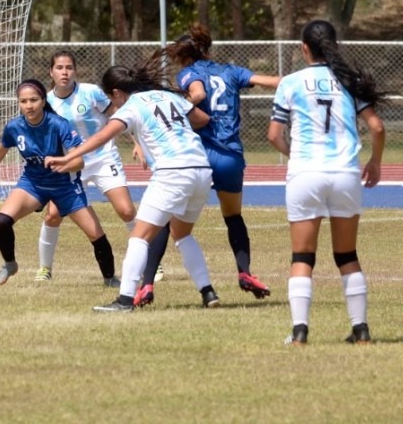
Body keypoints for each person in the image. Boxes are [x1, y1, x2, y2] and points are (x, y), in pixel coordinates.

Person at [46, 50, 221, 311]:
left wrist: (69, 157)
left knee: (138, 237)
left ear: (117, 93)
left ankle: (125, 299)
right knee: (182, 234)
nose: (111, 103)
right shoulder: (169, 96)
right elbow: (202, 119)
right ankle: (208, 292)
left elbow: (103, 136)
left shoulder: (132, 106)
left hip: (173, 172)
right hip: (201, 169)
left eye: (110, 98)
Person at [134, 23, 280, 306]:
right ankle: (245, 272)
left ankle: (147, 284)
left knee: (164, 218)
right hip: (230, 157)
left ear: (182, 55)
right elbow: (271, 82)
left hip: (198, 156)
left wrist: (177, 106)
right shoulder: (232, 71)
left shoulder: (189, 73)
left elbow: (198, 95)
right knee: (233, 217)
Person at [267, 19, 387, 345]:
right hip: (346, 173)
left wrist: (294, 155)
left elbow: (274, 135)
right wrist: (375, 162)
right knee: (346, 254)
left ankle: (300, 331)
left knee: (302, 256)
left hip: (306, 173)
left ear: (304, 48)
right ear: (334, 45)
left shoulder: (291, 82)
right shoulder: (350, 80)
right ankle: (360, 329)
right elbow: (376, 128)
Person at [0, 78, 120, 287]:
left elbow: (79, 161)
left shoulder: (58, 124)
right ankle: (10, 265)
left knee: (95, 234)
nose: (28, 105)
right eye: (23, 101)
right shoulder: (14, 127)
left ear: (42, 100)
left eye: (34, 100)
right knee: (3, 220)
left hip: (65, 187)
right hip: (33, 183)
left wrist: (64, 164)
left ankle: (110, 278)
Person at [36, 50, 136, 282]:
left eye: (69, 67)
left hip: (102, 158)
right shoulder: (47, 102)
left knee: (126, 211)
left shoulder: (91, 92)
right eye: (59, 68)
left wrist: (137, 142)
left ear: (75, 71)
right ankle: (44, 269)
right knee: (52, 215)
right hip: (71, 164)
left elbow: (121, 116)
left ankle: (152, 260)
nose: (64, 72)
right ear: (51, 72)